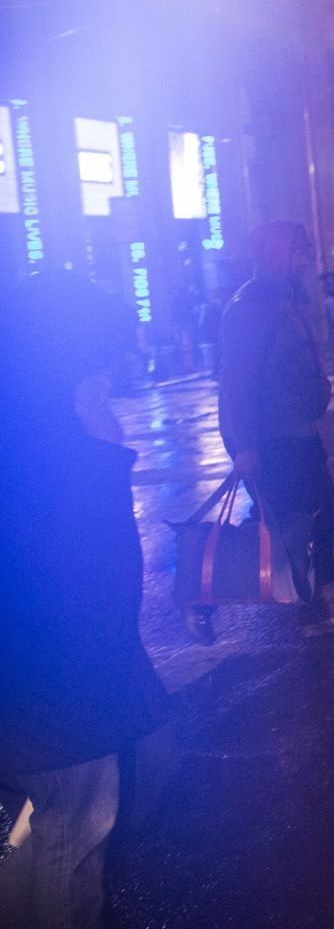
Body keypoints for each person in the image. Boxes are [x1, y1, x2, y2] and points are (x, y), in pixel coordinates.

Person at [0, 272, 169, 929]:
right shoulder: (63, 477)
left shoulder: (26, 454)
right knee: (70, 836)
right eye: (99, 391)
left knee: (18, 842)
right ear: (61, 391)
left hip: (31, 704)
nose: (114, 410)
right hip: (59, 710)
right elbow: (93, 604)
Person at [217, 221, 334, 635]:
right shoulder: (251, 306)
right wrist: (246, 446)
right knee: (301, 519)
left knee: (302, 517)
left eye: (306, 251)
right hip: (272, 436)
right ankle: (317, 605)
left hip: (293, 431)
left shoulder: (280, 299)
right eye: (298, 251)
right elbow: (239, 383)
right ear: (275, 254)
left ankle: (317, 601)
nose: (306, 260)